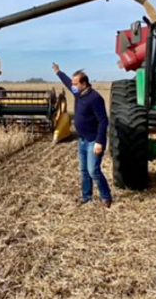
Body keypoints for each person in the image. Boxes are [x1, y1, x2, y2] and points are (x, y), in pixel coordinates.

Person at [52, 63, 112, 208]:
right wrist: (59, 72)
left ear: (84, 83)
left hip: (93, 141)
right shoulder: (78, 93)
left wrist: (99, 142)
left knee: (93, 171)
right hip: (82, 140)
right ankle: (86, 196)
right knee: (84, 171)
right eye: (73, 83)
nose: (72, 86)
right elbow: (67, 83)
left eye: (75, 83)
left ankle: (106, 197)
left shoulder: (95, 98)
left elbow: (103, 121)